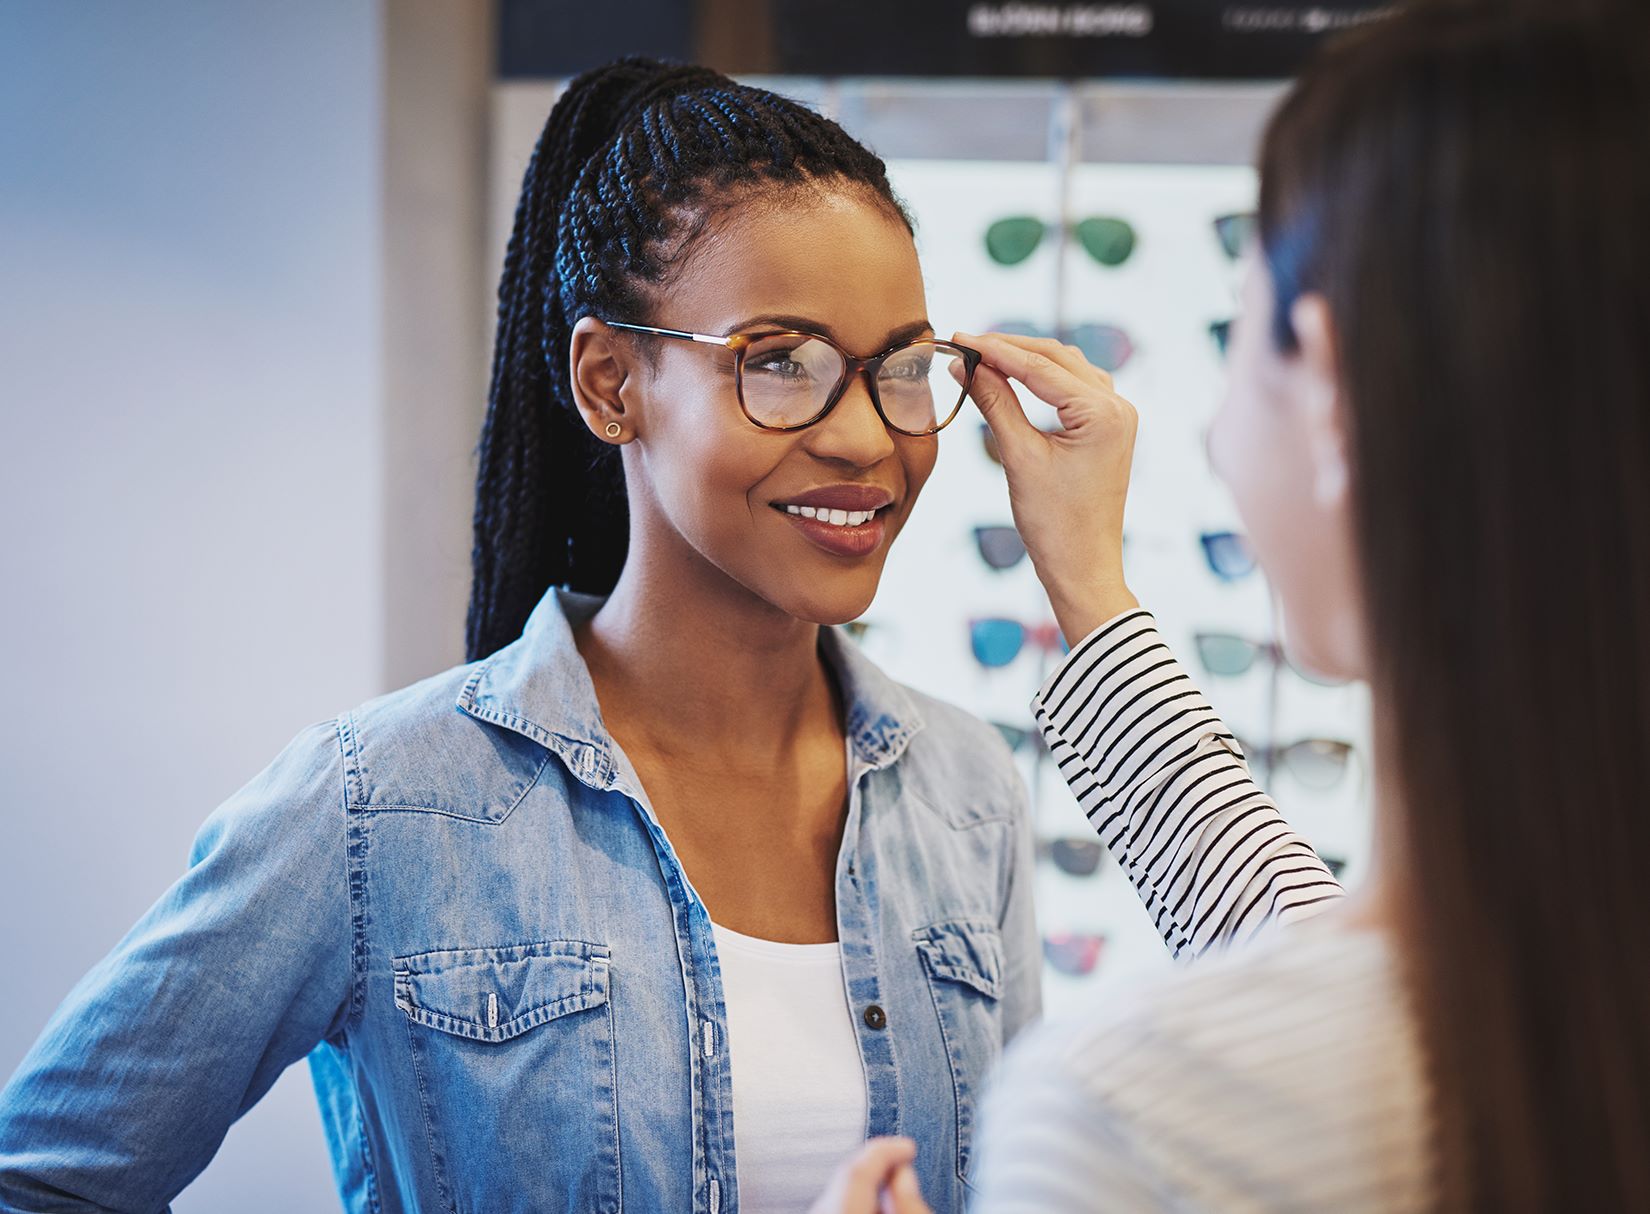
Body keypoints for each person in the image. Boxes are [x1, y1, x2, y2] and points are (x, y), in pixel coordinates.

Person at [0, 59, 1336, 1214]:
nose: (866, 435)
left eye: (900, 367)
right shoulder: (376, 804)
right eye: (777, 360)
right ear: (609, 381)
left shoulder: (964, 789)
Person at [859, 4, 1644, 1211]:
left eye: (1238, 336)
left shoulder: (1139, 1114)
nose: (1222, 434)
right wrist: (1091, 590)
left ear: (1330, 390)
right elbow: (1304, 936)